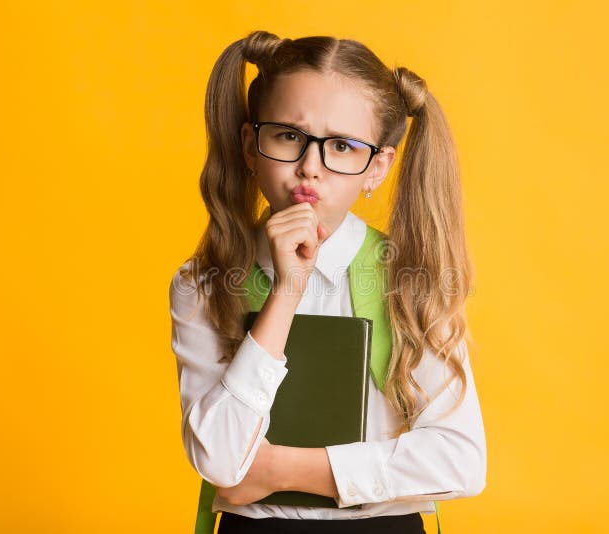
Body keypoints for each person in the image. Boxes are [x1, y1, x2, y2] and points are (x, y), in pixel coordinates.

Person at [169, 30, 487, 534]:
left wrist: (284, 469)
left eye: (341, 146)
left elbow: (460, 460)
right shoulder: (203, 283)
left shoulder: (412, 278)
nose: (309, 169)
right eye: (288, 136)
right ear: (251, 145)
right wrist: (286, 292)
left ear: (376, 168)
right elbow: (221, 461)